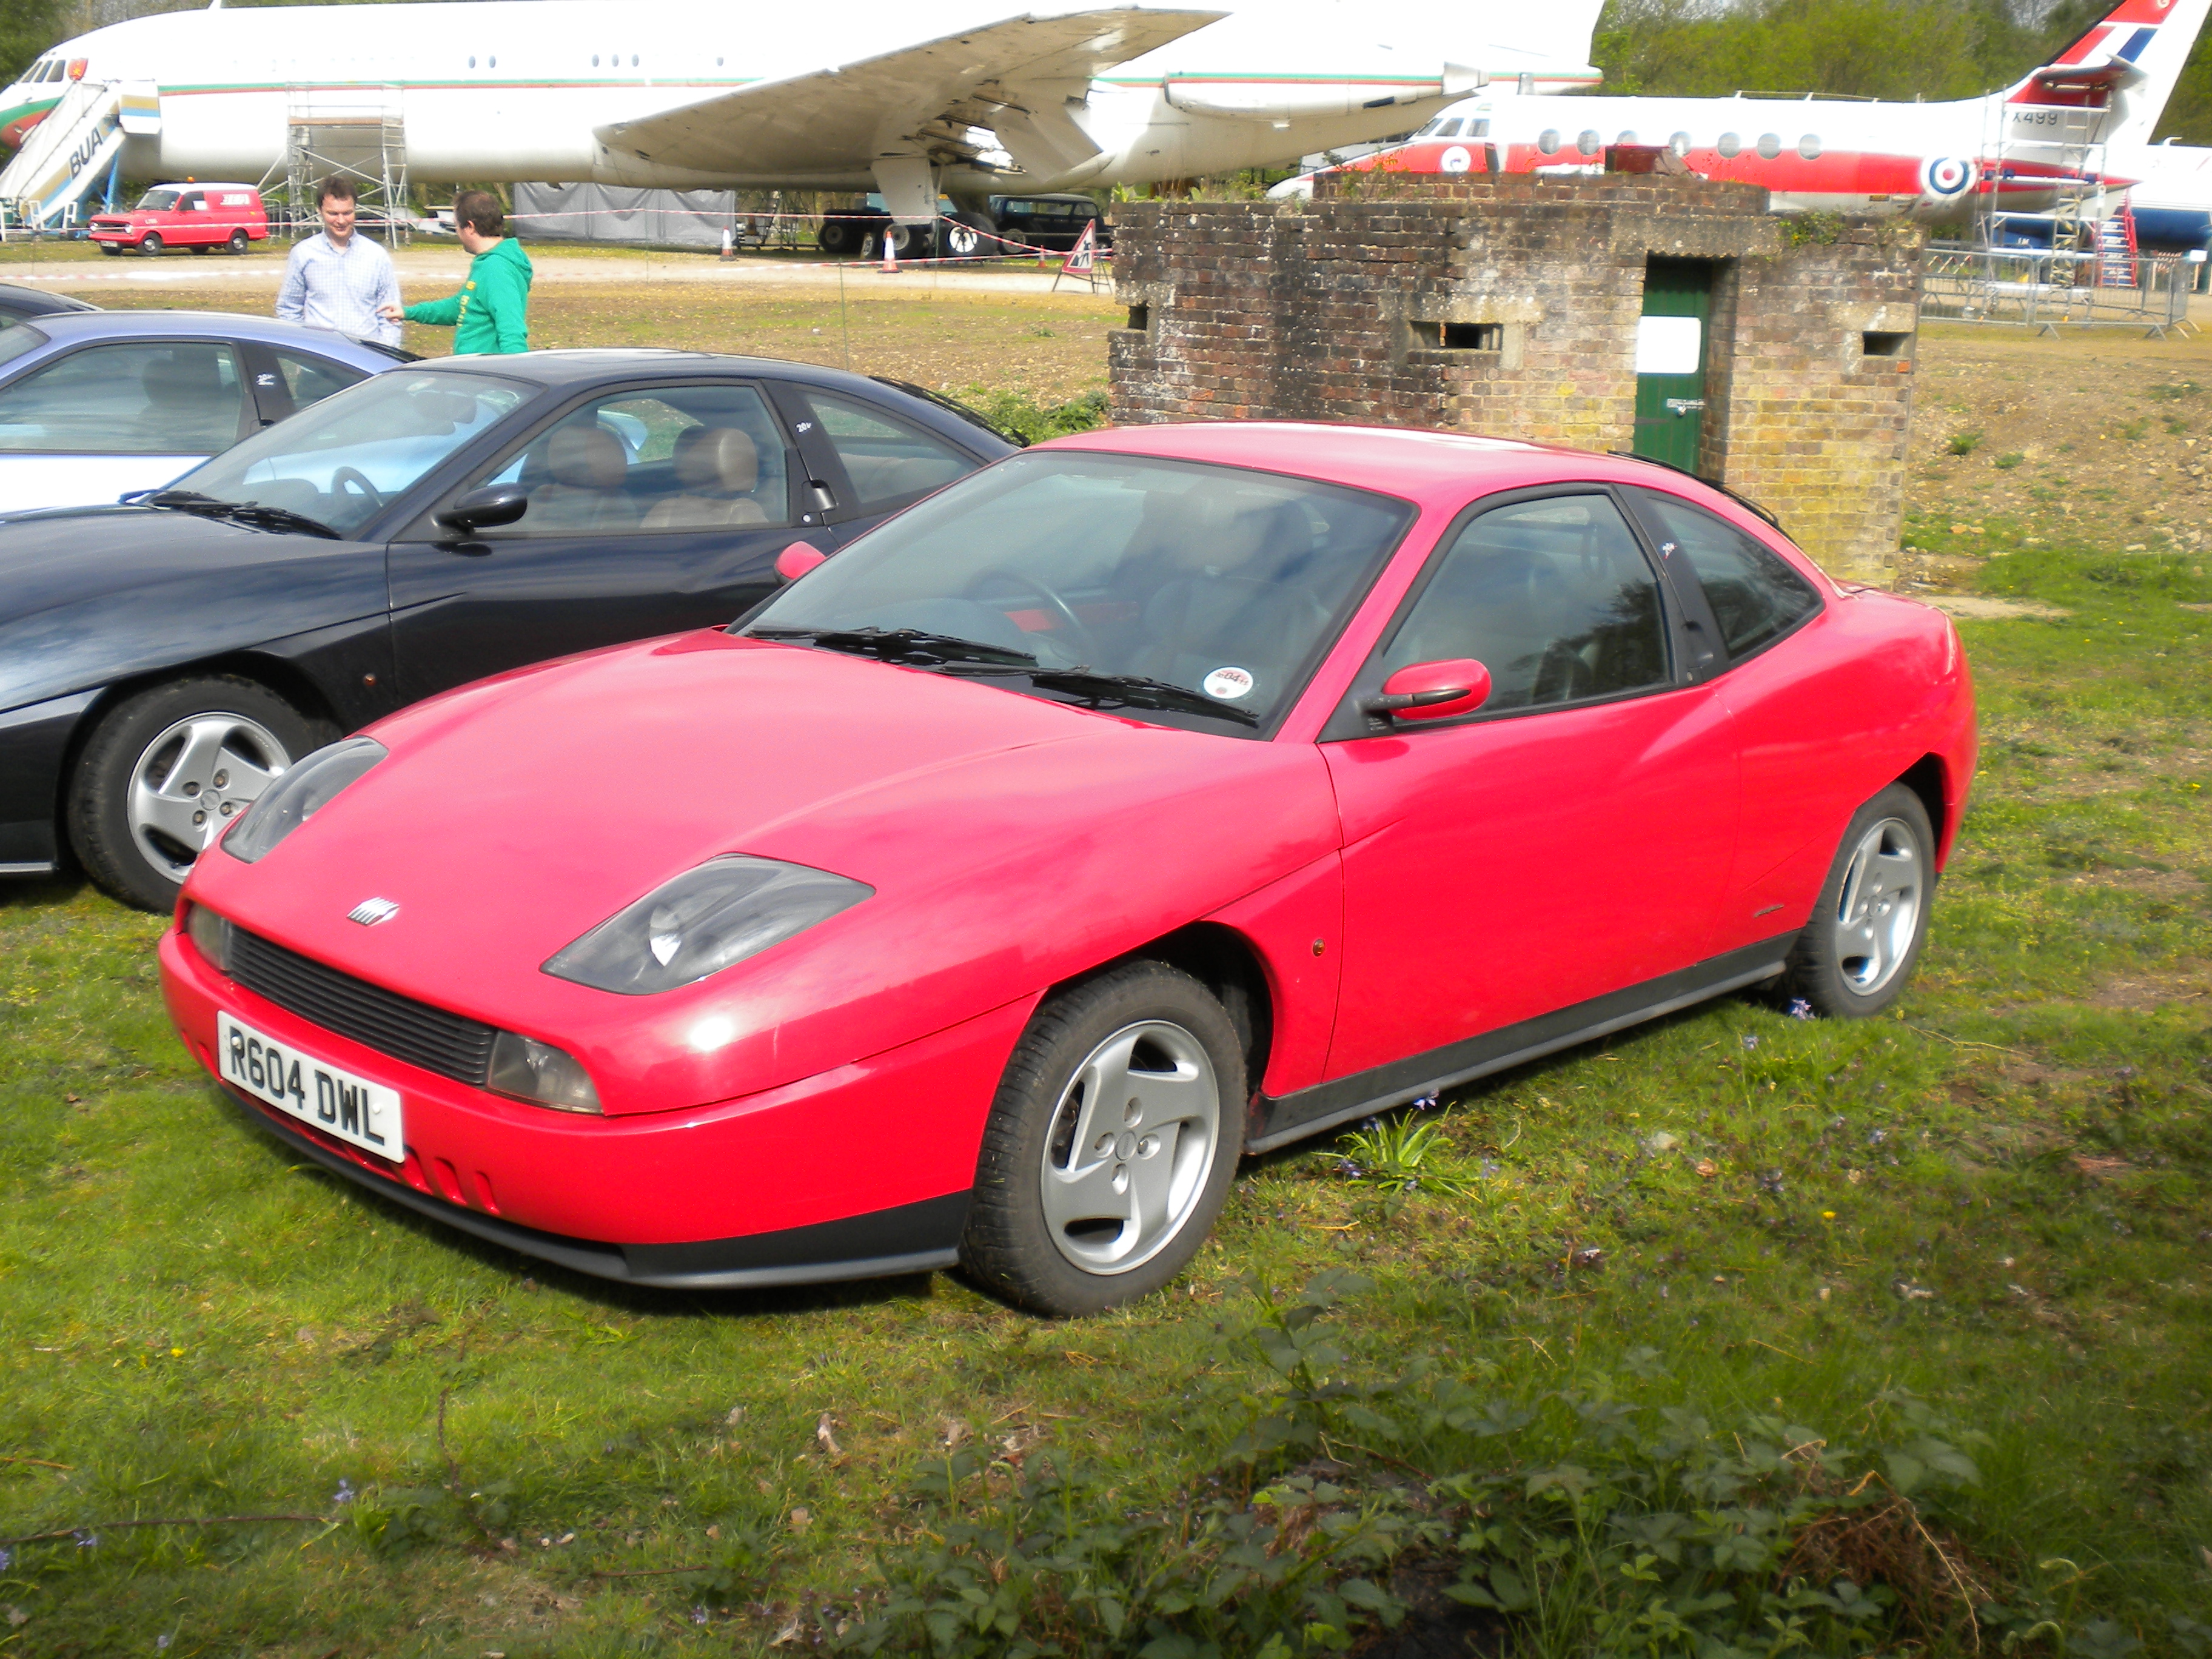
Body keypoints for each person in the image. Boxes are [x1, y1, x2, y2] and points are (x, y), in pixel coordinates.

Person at [384, 190, 531, 354]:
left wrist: (513, 372)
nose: (458, 233)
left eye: (457, 226)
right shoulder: (486, 263)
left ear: (470, 227)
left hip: (485, 374)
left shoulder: (497, 268)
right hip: (471, 370)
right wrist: (408, 312)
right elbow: (460, 306)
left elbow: (512, 330)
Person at [275, 176, 403, 347]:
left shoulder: (377, 256)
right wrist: (304, 349)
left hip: (366, 358)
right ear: (320, 211)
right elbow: (288, 309)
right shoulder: (303, 254)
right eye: (333, 213)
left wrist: (385, 356)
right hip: (318, 359)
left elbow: (390, 316)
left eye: (347, 213)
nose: (341, 221)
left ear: (355, 210)